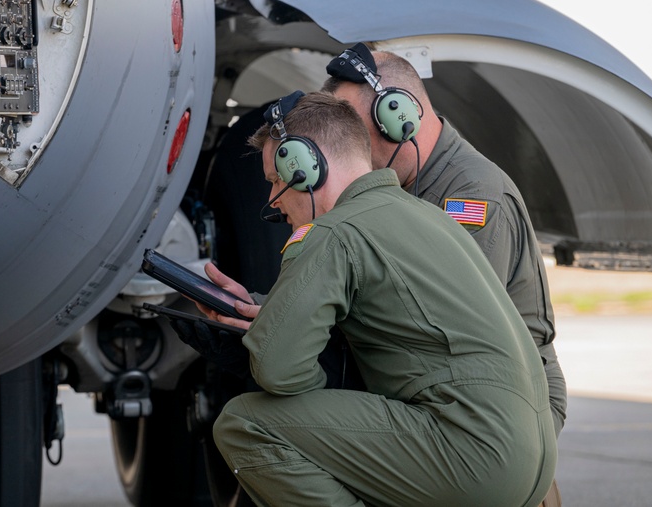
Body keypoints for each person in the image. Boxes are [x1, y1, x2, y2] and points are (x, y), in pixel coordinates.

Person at [204, 91, 555, 506]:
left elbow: (279, 371)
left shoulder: (334, 232)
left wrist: (284, 346)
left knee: (245, 424)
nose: (273, 201)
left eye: (276, 180)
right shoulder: (427, 215)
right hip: (532, 460)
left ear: (305, 167)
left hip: (475, 456)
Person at [320, 44, 567, 439]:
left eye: (357, 135)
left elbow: (439, 323)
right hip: (447, 386)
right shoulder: (400, 186)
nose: (349, 152)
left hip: (509, 405)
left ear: (399, 117)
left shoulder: (473, 196)